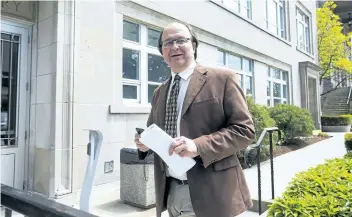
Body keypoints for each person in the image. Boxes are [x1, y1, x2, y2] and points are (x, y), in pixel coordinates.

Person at [134, 22, 255, 217]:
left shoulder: (222, 78)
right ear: (162, 51)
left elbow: (244, 130)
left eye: (181, 40)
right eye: (168, 42)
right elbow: (153, 129)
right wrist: (144, 143)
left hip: (213, 190)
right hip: (171, 190)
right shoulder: (159, 92)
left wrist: (198, 146)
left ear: (194, 45)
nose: (174, 47)